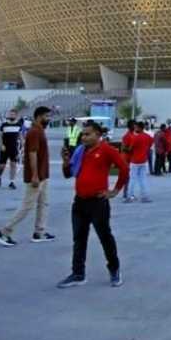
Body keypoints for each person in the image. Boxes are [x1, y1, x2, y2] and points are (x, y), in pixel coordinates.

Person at [56, 121, 129, 289]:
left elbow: (124, 169)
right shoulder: (80, 152)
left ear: (98, 135)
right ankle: (78, 273)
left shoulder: (107, 150)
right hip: (80, 201)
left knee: (105, 238)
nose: (84, 137)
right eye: (83, 134)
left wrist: (114, 191)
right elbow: (68, 174)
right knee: (79, 239)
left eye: (88, 134)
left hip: (98, 202)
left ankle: (114, 269)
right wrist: (66, 161)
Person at [0, 107, 56, 247]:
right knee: (27, 206)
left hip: (43, 175)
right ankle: (4, 232)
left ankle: (39, 232)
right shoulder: (34, 132)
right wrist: (34, 175)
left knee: (43, 204)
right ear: (39, 117)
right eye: (47, 116)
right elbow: (32, 154)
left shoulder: (39, 130)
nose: (49, 119)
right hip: (37, 176)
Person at [125, 122, 152, 203]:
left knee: (132, 179)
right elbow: (149, 145)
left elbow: (130, 149)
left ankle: (129, 196)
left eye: (136, 127)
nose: (135, 129)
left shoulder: (136, 138)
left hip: (135, 160)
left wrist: (124, 149)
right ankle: (145, 196)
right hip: (143, 160)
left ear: (140, 128)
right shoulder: (148, 137)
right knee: (143, 179)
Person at [0, 110, 23, 189]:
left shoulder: (19, 125)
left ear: (16, 116)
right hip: (4, 148)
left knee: (13, 165)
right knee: (2, 166)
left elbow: (20, 136)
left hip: (14, 148)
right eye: (10, 114)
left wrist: (23, 145)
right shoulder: (4, 125)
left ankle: (12, 182)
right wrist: (1, 145)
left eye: (13, 114)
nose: (11, 116)